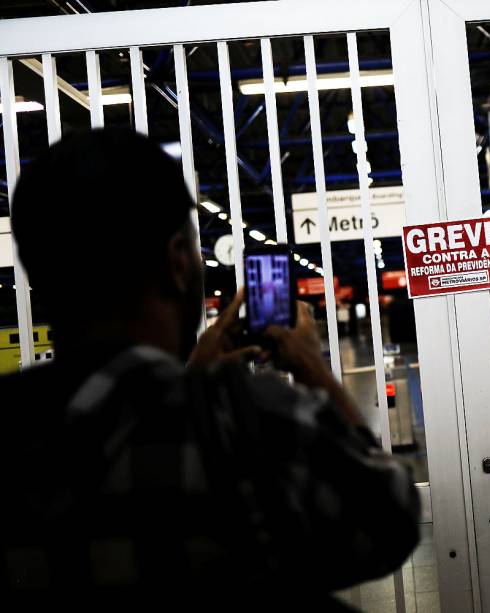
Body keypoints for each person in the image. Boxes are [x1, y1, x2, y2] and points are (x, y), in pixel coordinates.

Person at [0, 129, 419, 602]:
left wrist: (187, 376)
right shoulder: (248, 422)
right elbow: (391, 516)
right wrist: (312, 368)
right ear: (178, 262)